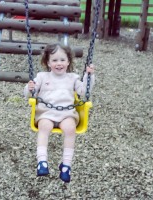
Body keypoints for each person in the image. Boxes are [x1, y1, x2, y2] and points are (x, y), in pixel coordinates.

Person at [24, 43, 95, 183]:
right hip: (46, 113)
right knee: (44, 127)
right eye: (54, 60)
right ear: (48, 62)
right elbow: (29, 94)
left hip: (66, 114)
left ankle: (66, 165)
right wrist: (29, 87)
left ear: (68, 61)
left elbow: (83, 91)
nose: (59, 63)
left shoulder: (73, 78)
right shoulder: (42, 76)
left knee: (70, 128)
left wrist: (89, 76)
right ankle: (42, 162)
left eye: (62, 60)